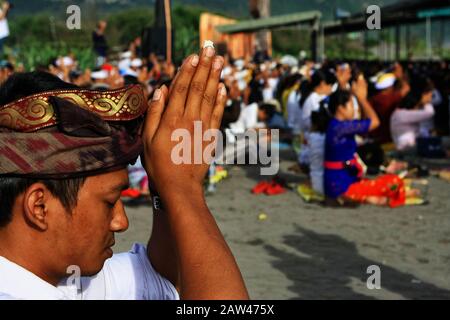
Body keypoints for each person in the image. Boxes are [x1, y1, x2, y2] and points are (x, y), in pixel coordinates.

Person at [0, 46, 249, 299]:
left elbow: (163, 280)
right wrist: (184, 190)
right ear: (39, 206)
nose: (121, 222)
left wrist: (163, 187)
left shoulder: (59, 279)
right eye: (109, 202)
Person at [322, 77, 410, 207]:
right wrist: (362, 98)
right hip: (341, 185)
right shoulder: (341, 127)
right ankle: (362, 197)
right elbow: (375, 122)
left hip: (338, 181)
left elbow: (366, 122)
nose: (355, 110)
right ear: (341, 108)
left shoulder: (337, 126)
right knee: (394, 181)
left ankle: (365, 197)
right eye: (352, 105)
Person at [390, 77, 435, 151]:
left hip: (413, 147)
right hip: (407, 151)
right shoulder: (401, 114)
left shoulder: (402, 113)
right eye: (429, 95)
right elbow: (430, 113)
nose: (430, 98)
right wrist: (426, 101)